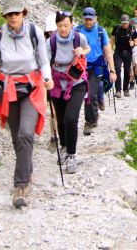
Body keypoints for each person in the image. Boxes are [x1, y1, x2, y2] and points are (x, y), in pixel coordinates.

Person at [0, 0, 54, 208]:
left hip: (30, 89)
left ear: (23, 14)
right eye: (9, 14)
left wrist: (48, 78)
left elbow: (43, 61)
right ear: (4, 15)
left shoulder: (34, 32)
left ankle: (21, 185)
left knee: (25, 134)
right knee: (17, 137)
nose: (13, 17)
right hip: (7, 89)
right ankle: (26, 168)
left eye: (16, 13)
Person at [46, 10, 91, 174]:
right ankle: (64, 146)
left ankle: (71, 155)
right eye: (60, 26)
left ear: (72, 24)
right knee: (61, 119)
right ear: (56, 26)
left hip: (76, 81)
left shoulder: (79, 38)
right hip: (57, 83)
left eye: (66, 25)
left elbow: (88, 49)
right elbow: (45, 62)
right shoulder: (51, 42)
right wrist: (45, 80)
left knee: (71, 118)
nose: (63, 29)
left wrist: (82, 52)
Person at [74, 7, 116, 135]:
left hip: (96, 67)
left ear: (95, 18)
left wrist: (112, 70)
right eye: (86, 19)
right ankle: (94, 114)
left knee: (90, 93)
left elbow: (108, 52)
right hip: (80, 67)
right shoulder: (77, 31)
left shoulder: (100, 32)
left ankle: (90, 121)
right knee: (84, 94)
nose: (88, 22)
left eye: (90, 19)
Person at [110, 14, 137, 97]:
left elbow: (136, 41)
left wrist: (133, 43)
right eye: (123, 23)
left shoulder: (132, 29)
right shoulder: (117, 28)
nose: (124, 25)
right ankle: (118, 90)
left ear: (129, 22)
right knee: (117, 69)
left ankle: (126, 89)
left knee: (127, 70)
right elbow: (112, 39)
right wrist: (110, 50)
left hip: (128, 51)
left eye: (126, 23)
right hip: (118, 51)